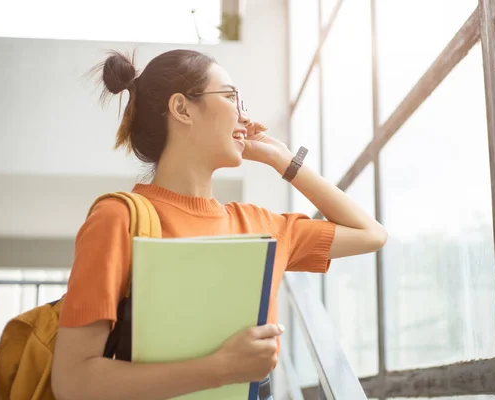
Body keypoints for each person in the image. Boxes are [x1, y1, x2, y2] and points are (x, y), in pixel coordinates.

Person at [51, 49, 387, 400]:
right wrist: (222, 368)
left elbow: (371, 234)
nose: (245, 116)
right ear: (181, 109)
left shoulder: (260, 226)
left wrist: (284, 160)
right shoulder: (118, 219)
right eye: (231, 98)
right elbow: (73, 382)